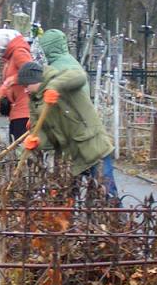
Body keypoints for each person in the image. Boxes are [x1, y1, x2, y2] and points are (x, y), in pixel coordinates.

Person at [17, 62, 116, 195]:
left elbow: (80, 76)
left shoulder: (59, 78)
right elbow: (41, 132)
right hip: (70, 158)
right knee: (67, 200)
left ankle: (119, 216)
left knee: (107, 194)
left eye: (26, 85)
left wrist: (53, 87)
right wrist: (35, 141)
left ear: (36, 80)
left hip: (93, 148)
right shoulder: (34, 103)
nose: (25, 90)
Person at [0, 29, 31, 141]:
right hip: (17, 109)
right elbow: (6, 84)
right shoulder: (10, 57)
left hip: (24, 111)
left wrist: (14, 79)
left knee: (20, 145)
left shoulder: (19, 53)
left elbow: (31, 72)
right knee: (15, 144)